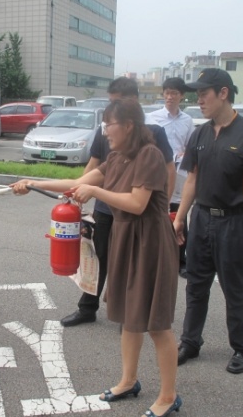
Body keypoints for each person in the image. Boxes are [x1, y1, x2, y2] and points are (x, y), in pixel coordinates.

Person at [11, 98, 182, 416]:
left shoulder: (150, 156)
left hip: (151, 244)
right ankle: (128, 381)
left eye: (109, 125)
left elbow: (137, 203)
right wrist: (33, 184)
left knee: (156, 323)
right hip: (125, 240)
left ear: (128, 126)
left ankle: (169, 396)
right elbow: (77, 183)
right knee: (130, 318)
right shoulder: (116, 157)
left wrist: (97, 193)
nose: (105, 131)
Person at [172, 68, 243, 374]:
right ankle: (190, 341)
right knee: (196, 286)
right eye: (198, 95)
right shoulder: (200, 133)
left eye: (204, 94)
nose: (199, 100)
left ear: (223, 93)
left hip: (236, 222)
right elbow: (192, 179)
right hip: (202, 219)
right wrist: (180, 218)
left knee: (237, 289)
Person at [60, 77, 176, 328]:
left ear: (132, 105)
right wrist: (35, 183)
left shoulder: (151, 142)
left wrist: (164, 205)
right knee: (98, 257)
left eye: (117, 105)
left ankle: (132, 313)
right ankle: (92, 308)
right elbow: (90, 171)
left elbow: (149, 190)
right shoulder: (112, 141)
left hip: (138, 219)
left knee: (132, 267)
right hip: (108, 210)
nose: (107, 127)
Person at [146, 77, 195, 278]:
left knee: (178, 215)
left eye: (174, 93)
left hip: (180, 173)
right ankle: (156, 257)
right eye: (167, 92)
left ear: (181, 96)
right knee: (156, 213)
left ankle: (180, 260)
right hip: (158, 172)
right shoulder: (152, 118)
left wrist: (186, 154)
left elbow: (190, 146)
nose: (170, 97)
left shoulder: (187, 120)